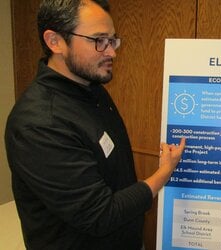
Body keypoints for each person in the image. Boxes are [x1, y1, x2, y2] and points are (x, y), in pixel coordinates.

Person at [4, 0, 185, 249]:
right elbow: (100, 214)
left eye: (113, 40)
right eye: (99, 40)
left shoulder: (91, 87)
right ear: (55, 41)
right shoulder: (39, 124)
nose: (112, 52)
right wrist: (164, 172)